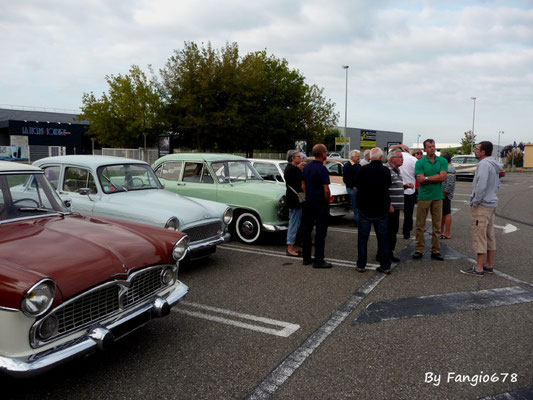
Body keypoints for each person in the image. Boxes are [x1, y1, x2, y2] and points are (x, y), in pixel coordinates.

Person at [461, 141, 503, 276]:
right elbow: (498, 185)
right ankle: (489, 264)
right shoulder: (494, 164)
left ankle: (479, 267)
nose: (475, 150)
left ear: (483, 152)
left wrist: (476, 201)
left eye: (477, 148)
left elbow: (481, 185)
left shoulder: (484, 165)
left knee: (479, 234)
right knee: (489, 235)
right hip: (491, 203)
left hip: (483, 205)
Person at [354, 147, 392, 274]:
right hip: (381, 209)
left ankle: (361, 265)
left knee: (363, 238)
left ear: (370, 157)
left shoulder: (363, 169)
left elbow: (356, 184)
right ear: (381, 158)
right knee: (383, 239)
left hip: (365, 208)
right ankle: (385, 266)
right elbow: (388, 186)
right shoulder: (386, 171)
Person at [413, 139, 448, 261]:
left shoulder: (442, 161)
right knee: (420, 225)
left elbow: (443, 177)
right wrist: (434, 178)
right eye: (429, 147)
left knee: (437, 226)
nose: (432, 148)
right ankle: (419, 249)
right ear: (425, 149)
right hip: (424, 197)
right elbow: (420, 180)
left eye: (433, 146)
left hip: (438, 197)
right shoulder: (420, 162)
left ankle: (436, 250)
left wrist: (427, 178)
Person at [301, 144, 332, 269]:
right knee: (320, 232)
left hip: (309, 203)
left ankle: (306, 258)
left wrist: (309, 195)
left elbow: (303, 185)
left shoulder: (307, 167)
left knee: (307, 230)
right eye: (326, 151)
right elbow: (326, 189)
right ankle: (319, 260)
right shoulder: (323, 169)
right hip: (320, 203)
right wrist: (327, 200)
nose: (327, 154)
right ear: (322, 153)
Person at [381, 148, 413, 262]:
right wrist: (388, 204)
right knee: (388, 232)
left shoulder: (397, 170)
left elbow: (394, 186)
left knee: (393, 232)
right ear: (393, 159)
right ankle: (383, 254)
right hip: (390, 208)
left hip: (395, 209)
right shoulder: (387, 170)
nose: (402, 160)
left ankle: (389, 253)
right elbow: (383, 189)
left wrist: (404, 186)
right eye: (400, 157)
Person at [389, 144, 418, 239]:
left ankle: (393, 234)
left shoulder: (395, 158)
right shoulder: (414, 160)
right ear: (408, 150)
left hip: (397, 190)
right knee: (408, 214)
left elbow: (390, 149)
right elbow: (417, 175)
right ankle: (406, 232)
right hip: (409, 190)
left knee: (395, 216)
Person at [284, 150, 304, 257]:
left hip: (293, 198)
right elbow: (299, 182)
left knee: (295, 222)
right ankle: (290, 247)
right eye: (298, 157)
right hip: (295, 199)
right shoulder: (292, 169)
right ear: (292, 158)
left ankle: (292, 245)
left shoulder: (291, 168)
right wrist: (300, 169)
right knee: (293, 223)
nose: (300, 158)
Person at [440, 152, 456, 240]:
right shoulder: (448, 167)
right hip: (444, 193)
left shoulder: (449, 168)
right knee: (443, 213)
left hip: (445, 194)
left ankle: (447, 233)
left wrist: (445, 193)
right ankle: (441, 231)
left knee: (446, 213)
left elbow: (449, 183)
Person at [342, 150, 361, 226]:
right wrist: (352, 186)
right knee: (355, 205)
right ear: (352, 157)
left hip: (358, 188)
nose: (359, 157)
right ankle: (356, 220)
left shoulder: (358, 165)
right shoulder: (347, 165)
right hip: (352, 188)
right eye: (358, 156)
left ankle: (357, 219)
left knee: (358, 205)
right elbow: (345, 179)